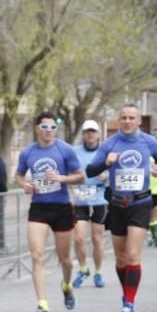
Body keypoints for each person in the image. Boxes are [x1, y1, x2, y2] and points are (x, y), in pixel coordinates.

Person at [85, 103, 157, 312]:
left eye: (132, 117)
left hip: (141, 202)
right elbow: (90, 170)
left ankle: (129, 303)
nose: (128, 121)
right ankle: (126, 294)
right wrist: (105, 162)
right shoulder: (110, 144)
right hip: (117, 204)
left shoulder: (148, 141)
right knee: (120, 259)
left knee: (132, 255)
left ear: (139, 121)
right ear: (118, 121)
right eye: (123, 118)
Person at [15, 111, 85, 312]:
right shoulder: (28, 152)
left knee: (65, 259)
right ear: (37, 128)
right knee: (37, 256)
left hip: (62, 207)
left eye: (52, 128)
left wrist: (61, 178)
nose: (48, 132)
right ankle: (42, 305)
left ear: (57, 130)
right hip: (38, 208)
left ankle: (66, 284)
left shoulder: (65, 150)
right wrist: (24, 185)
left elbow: (81, 176)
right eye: (44, 127)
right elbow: (18, 175)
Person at [70, 120, 107, 288]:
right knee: (78, 238)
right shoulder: (74, 151)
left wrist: (107, 176)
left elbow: (115, 170)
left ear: (98, 134)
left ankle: (98, 272)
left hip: (99, 199)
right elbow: (67, 170)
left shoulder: (105, 151)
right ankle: (83, 268)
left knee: (97, 239)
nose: (90, 135)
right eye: (87, 132)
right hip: (80, 199)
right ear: (83, 134)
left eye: (93, 132)